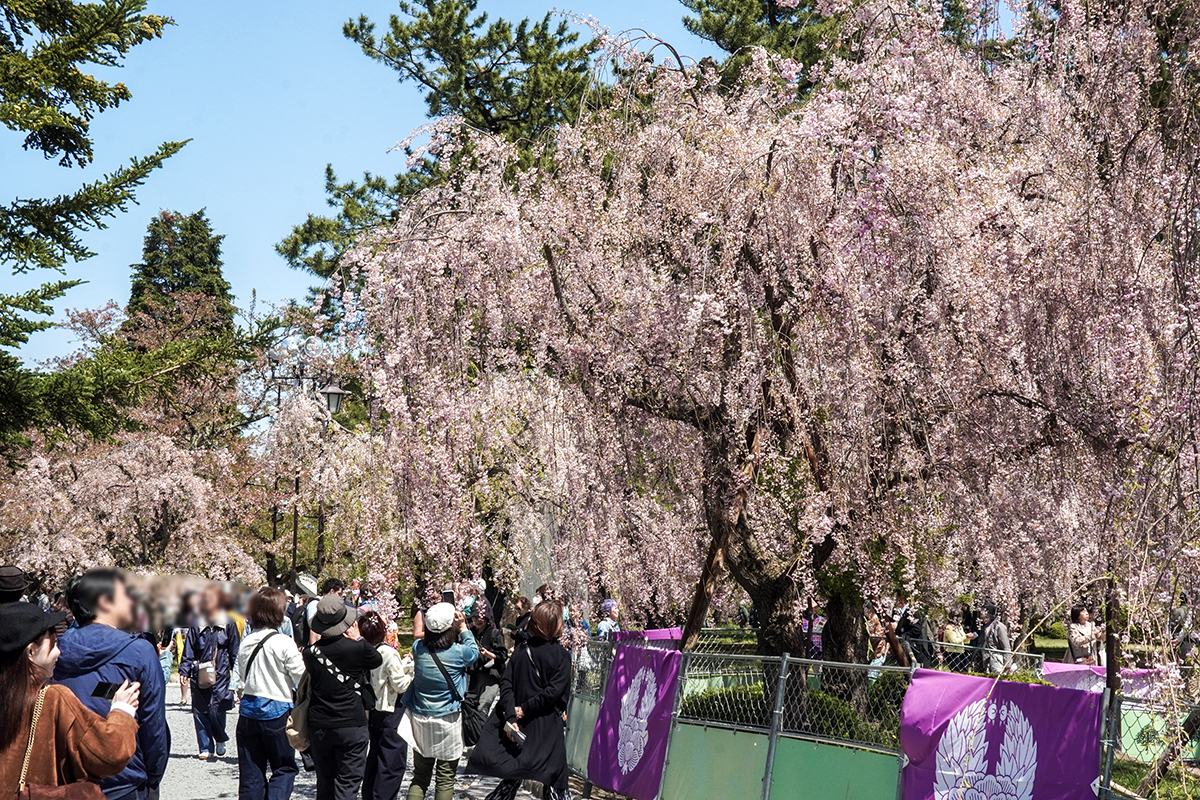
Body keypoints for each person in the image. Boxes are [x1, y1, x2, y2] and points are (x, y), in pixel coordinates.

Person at [0, 603, 143, 793]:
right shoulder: (53, 698)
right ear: (31, 651)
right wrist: (122, 711)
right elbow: (109, 755)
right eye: (53, 644)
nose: (59, 651)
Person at [54, 569, 170, 800]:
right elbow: (153, 724)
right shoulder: (138, 651)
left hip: (67, 778)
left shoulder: (55, 650)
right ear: (106, 602)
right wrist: (152, 777)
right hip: (124, 777)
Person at [469, 600, 573, 800]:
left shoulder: (521, 651)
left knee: (512, 777)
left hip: (519, 727)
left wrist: (512, 715)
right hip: (546, 727)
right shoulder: (561, 656)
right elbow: (553, 693)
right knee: (555, 780)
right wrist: (523, 709)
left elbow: (506, 684)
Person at [304, 593, 382, 800]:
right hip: (351, 722)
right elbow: (376, 660)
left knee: (325, 781)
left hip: (319, 723)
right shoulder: (357, 648)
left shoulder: (310, 653)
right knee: (348, 782)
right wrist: (358, 638)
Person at [399, 602, 479, 800]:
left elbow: (427, 640)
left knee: (420, 777)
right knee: (445, 778)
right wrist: (463, 628)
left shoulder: (418, 648)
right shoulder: (459, 653)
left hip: (421, 718)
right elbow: (474, 652)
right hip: (448, 720)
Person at [234, 587, 306, 800]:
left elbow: (241, 677)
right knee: (284, 769)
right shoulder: (283, 642)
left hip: (248, 712)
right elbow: (301, 677)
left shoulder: (246, 642)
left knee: (251, 774)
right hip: (277, 710)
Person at [181, 582, 242, 760]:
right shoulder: (196, 623)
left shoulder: (228, 624)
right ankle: (205, 746)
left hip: (221, 673)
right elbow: (189, 648)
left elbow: (235, 652)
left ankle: (220, 737)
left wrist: (236, 677)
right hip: (198, 671)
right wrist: (184, 670)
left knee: (218, 707)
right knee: (200, 709)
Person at [360, 611, 412, 800]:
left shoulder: (366, 650)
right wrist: (412, 675)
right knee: (391, 763)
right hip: (391, 709)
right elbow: (399, 684)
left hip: (374, 709)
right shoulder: (389, 652)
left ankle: (370, 795)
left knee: (374, 759)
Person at [463, 596, 508, 747]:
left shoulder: (495, 633)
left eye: (481, 617)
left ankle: (480, 741)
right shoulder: (470, 633)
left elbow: (502, 655)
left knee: (484, 705)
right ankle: (473, 736)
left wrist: (488, 654)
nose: (478, 620)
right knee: (471, 706)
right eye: (475, 617)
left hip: (491, 677)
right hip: (474, 675)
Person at [979, 604, 1012, 674]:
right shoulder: (984, 627)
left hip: (997, 660)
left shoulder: (999, 627)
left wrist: (1007, 664)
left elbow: (1006, 646)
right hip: (985, 660)